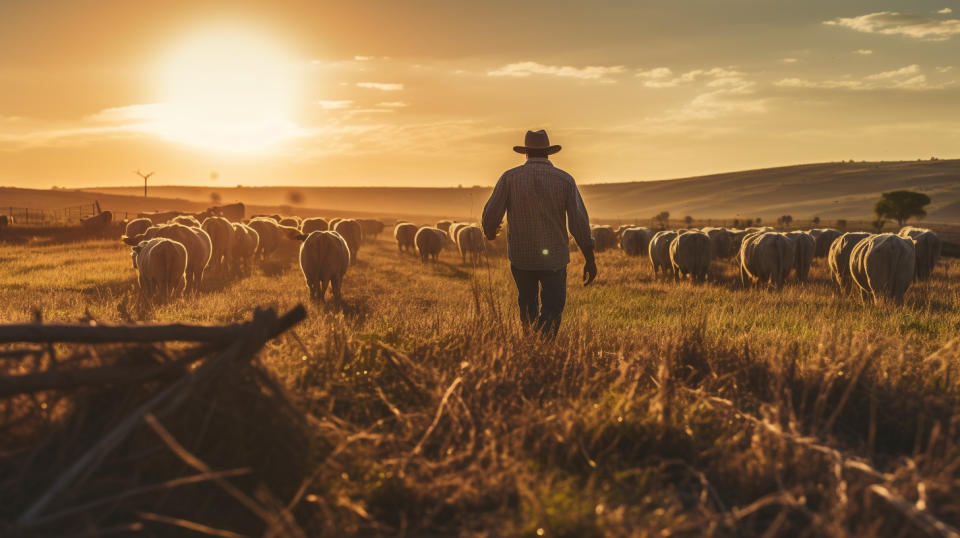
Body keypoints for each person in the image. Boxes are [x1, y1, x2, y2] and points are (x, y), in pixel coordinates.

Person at [482, 129, 597, 337]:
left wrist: (490, 231)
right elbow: (579, 222)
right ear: (548, 153)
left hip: (522, 258)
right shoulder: (565, 180)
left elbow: (491, 214)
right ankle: (544, 346)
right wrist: (589, 257)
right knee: (552, 308)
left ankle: (531, 344)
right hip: (554, 258)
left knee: (527, 304)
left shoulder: (509, 178)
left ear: (525, 153)